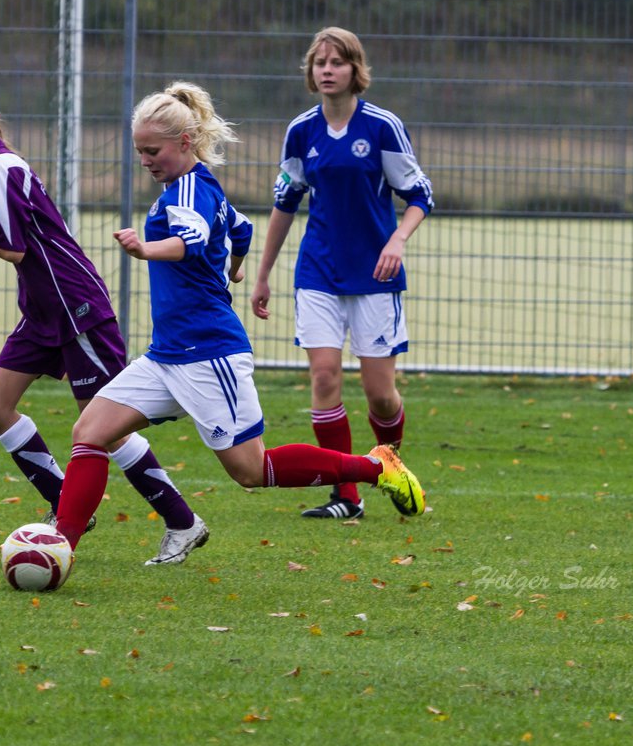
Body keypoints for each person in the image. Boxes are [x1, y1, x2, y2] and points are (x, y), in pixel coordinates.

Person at [51, 81, 425, 571]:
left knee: (253, 470)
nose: (144, 159)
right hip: (168, 354)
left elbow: (191, 239)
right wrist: (235, 265)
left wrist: (147, 248)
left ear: (184, 143)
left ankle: (376, 468)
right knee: (90, 431)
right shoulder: (197, 183)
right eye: (139, 150)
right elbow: (241, 228)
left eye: (152, 150)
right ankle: (61, 546)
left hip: (209, 355)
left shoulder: (188, 191)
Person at [0, 89, 195, 551]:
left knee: (105, 426)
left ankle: (182, 520)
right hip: (41, 312)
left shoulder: (0, 166)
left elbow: (15, 248)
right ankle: (63, 501)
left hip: (75, 308)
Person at [250, 27, 434, 520]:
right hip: (318, 274)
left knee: (381, 395)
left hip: (374, 275)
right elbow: (285, 203)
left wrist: (397, 240)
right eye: (319, 63)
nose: (327, 70)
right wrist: (263, 274)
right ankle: (346, 496)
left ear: (356, 70)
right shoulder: (301, 132)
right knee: (325, 377)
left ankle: (391, 464)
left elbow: (421, 196)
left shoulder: (382, 127)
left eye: (337, 62)